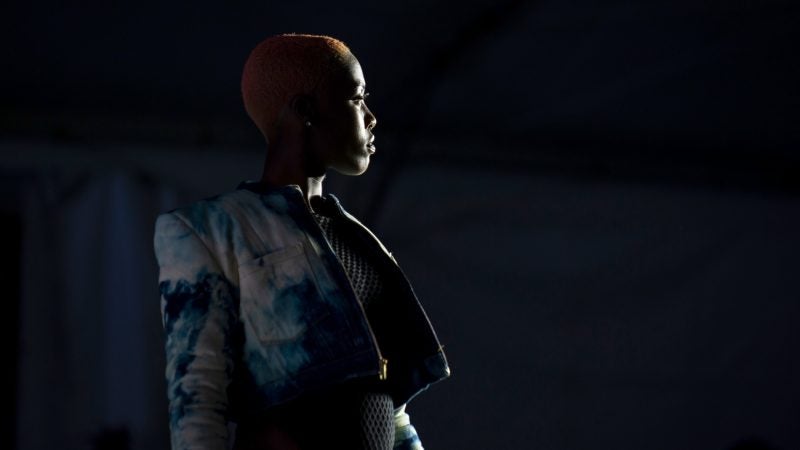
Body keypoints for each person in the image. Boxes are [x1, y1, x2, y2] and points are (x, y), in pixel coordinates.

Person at [153, 33, 451, 450]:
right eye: (357, 98)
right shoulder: (210, 229)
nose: (370, 117)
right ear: (305, 109)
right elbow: (197, 395)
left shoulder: (358, 239)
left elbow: (391, 400)